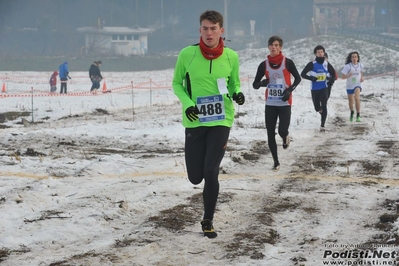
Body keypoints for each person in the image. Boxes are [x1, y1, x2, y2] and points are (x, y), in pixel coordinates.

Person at [172, 10, 244, 239]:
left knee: (211, 172)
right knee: (195, 176)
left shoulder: (232, 56)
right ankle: (200, 187)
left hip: (221, 120)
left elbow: (234, 84)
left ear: (221, 30)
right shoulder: (187, 54)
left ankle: (208, 220)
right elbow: (177, 83)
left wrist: (238, 94)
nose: (209, 32)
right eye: (205, 28)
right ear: (200, 30)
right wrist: (188, 104)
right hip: (195, 120)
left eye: (213, 28)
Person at [252, 35, 301, 171]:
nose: (273, 47)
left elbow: (298, 78)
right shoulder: (264, 65)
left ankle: (285, 137)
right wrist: (262, 83)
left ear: (280, 48)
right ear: (268, 47)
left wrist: (289, 90)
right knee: (270, 133)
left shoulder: (287, 62)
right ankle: (276, 161)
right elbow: (254, 84)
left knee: (282, 130)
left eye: (276, 45)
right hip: (271, 103)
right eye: (271, 45)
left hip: (284, 102)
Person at [301, 45, 336, 132]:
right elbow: (303, 74)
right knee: (317, 108)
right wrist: (312, 78)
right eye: (318, 52)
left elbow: (334, 74)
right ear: (315, 54)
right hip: (314, 89)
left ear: (324, 53)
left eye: (321, 52)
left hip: (324, 88)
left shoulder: (326, 64)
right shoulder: (312, 64)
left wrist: (331, 81)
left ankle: (322, 125)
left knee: (324, 105)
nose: (320, 53)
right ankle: (319, 110)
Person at [341, 51, 364, 122]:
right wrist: (348, 75)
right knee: (351, 101)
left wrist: (362, 78)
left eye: (356, 57)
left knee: (357, 98)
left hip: (357, 84)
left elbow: (361, 72)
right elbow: (342, 77)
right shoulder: (348, 66)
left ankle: (358, 115)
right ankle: (352, 112)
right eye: (353, 57)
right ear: (351, 59)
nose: (354, 58)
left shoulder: (360, 65)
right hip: (350, 85)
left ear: (358, 58)